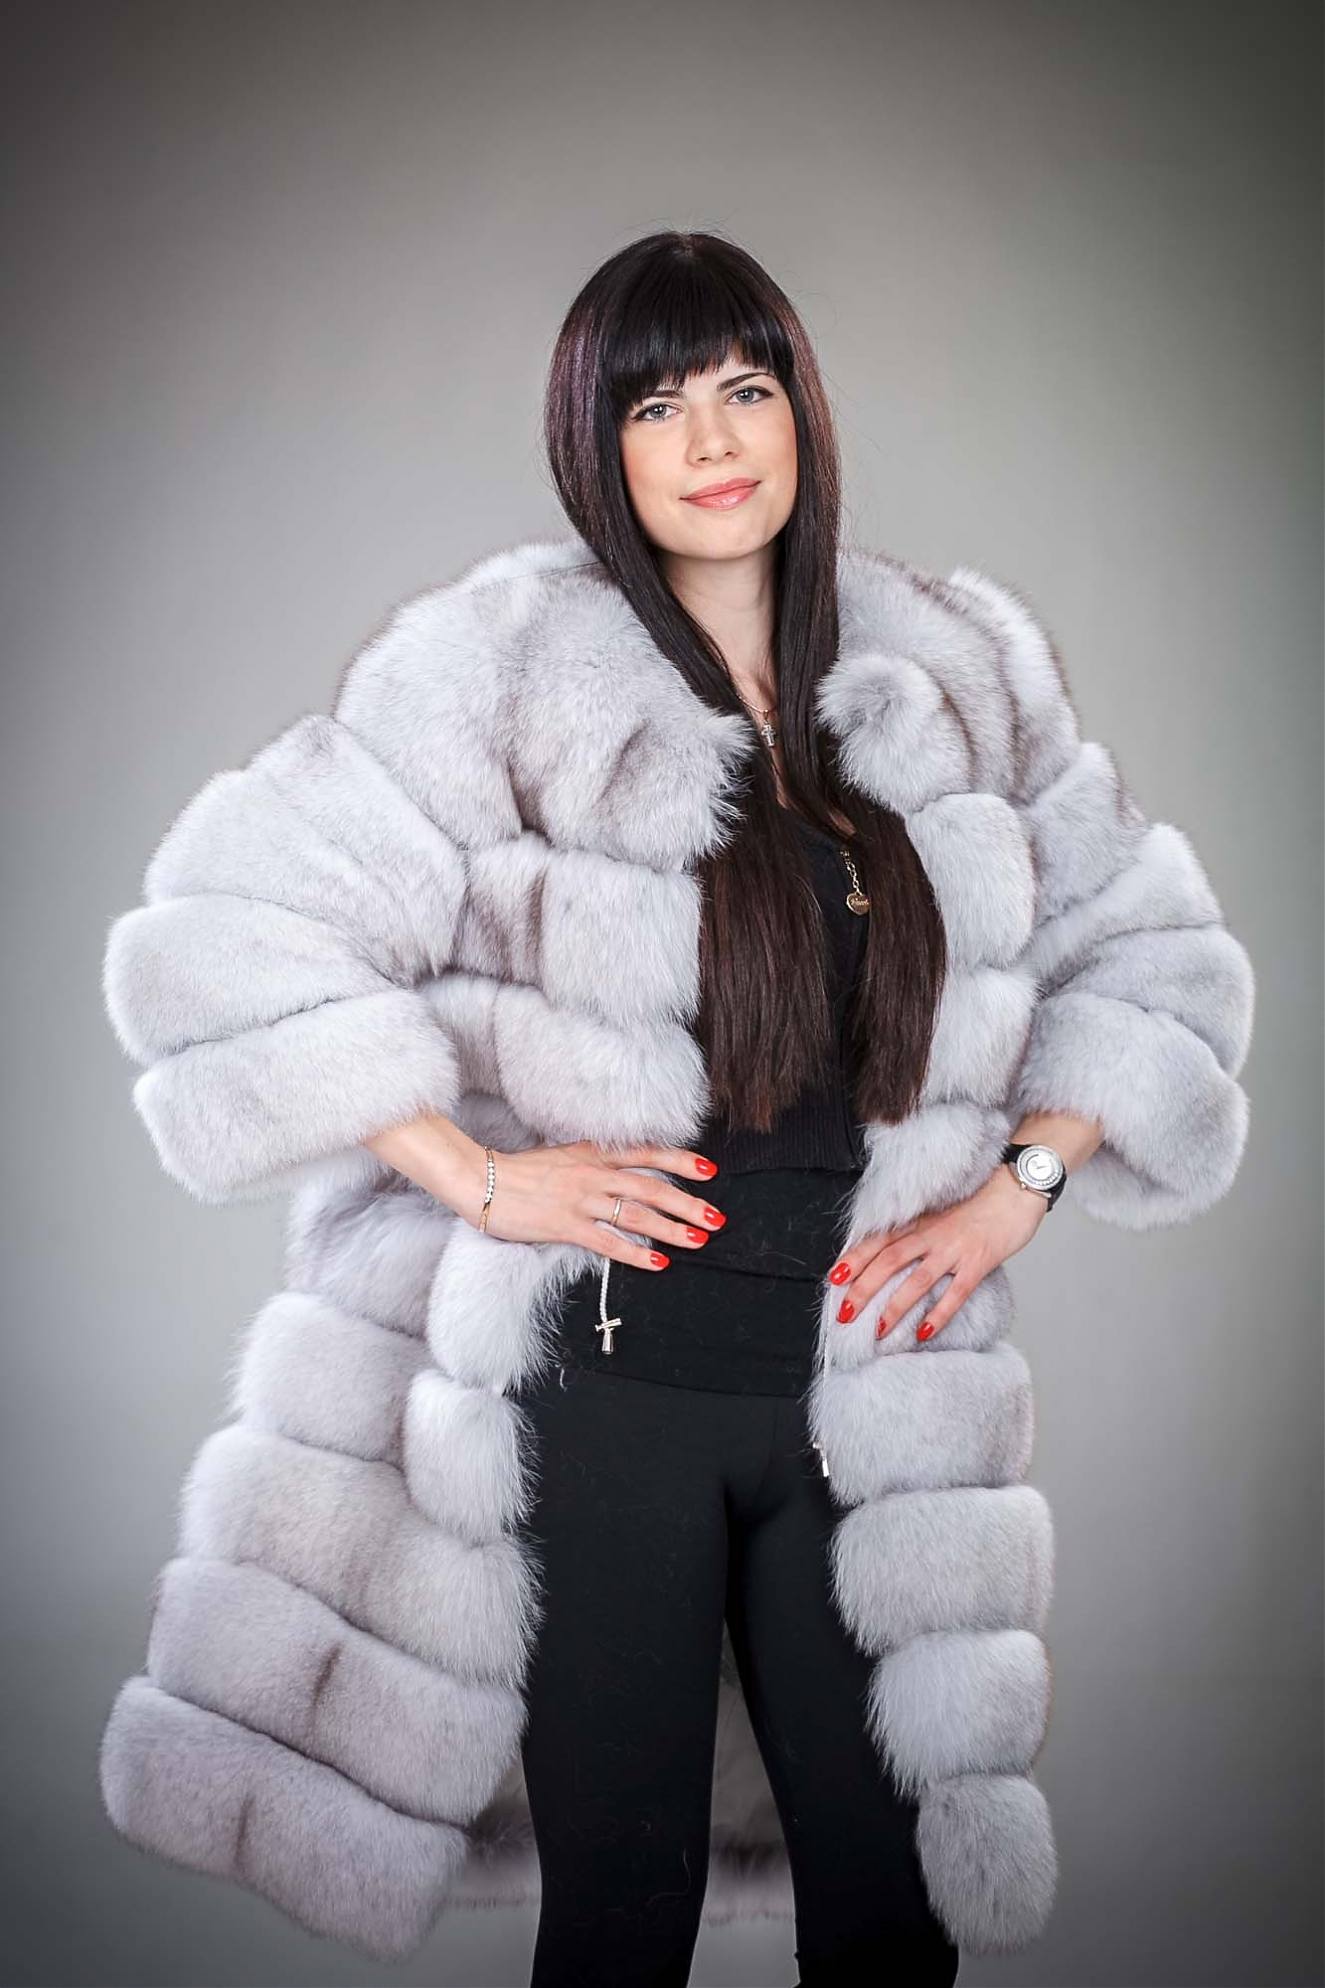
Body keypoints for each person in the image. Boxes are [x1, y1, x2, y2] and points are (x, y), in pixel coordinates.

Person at [98, 229, 1256, 1986]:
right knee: (621, 1927)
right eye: (656, 406)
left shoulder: (951, 670)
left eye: (744, 388)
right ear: (598, 444)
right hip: (607, 1401)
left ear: (800, 411)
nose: (712, 441)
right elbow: (224, 935)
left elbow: (1153, 950)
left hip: (867, 1400)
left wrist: (1020, 1180)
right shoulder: (497, 668)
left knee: (893, 1922)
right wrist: (484, 1183)